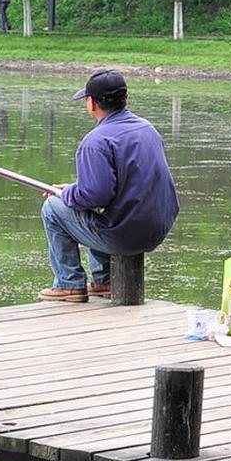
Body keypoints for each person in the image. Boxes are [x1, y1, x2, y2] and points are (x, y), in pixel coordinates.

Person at [38, 69, 180, 302]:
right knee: (79, 202)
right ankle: (104, 280)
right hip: (157, 230)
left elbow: (95, 196)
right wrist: (72, 190)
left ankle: (69, 284)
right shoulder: (146, 128)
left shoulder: (95, 142)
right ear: (125, 97)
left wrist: (65, 194)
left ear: (92, 103)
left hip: (127, 236)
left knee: (52, 208)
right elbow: (118, 185)